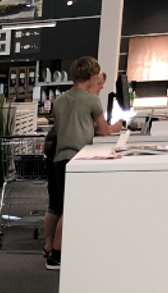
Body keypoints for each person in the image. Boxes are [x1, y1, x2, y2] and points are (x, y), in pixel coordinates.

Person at [43, 57, 122, 271]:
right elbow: (104, 131)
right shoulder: (92, 100)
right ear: (92, 76)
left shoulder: (59, 101)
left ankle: (55, 250)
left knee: (62, 206)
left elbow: (61, 129)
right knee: (72, 209)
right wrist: (116, 128)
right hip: (80, 158)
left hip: (60, 159)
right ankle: (57, 256)